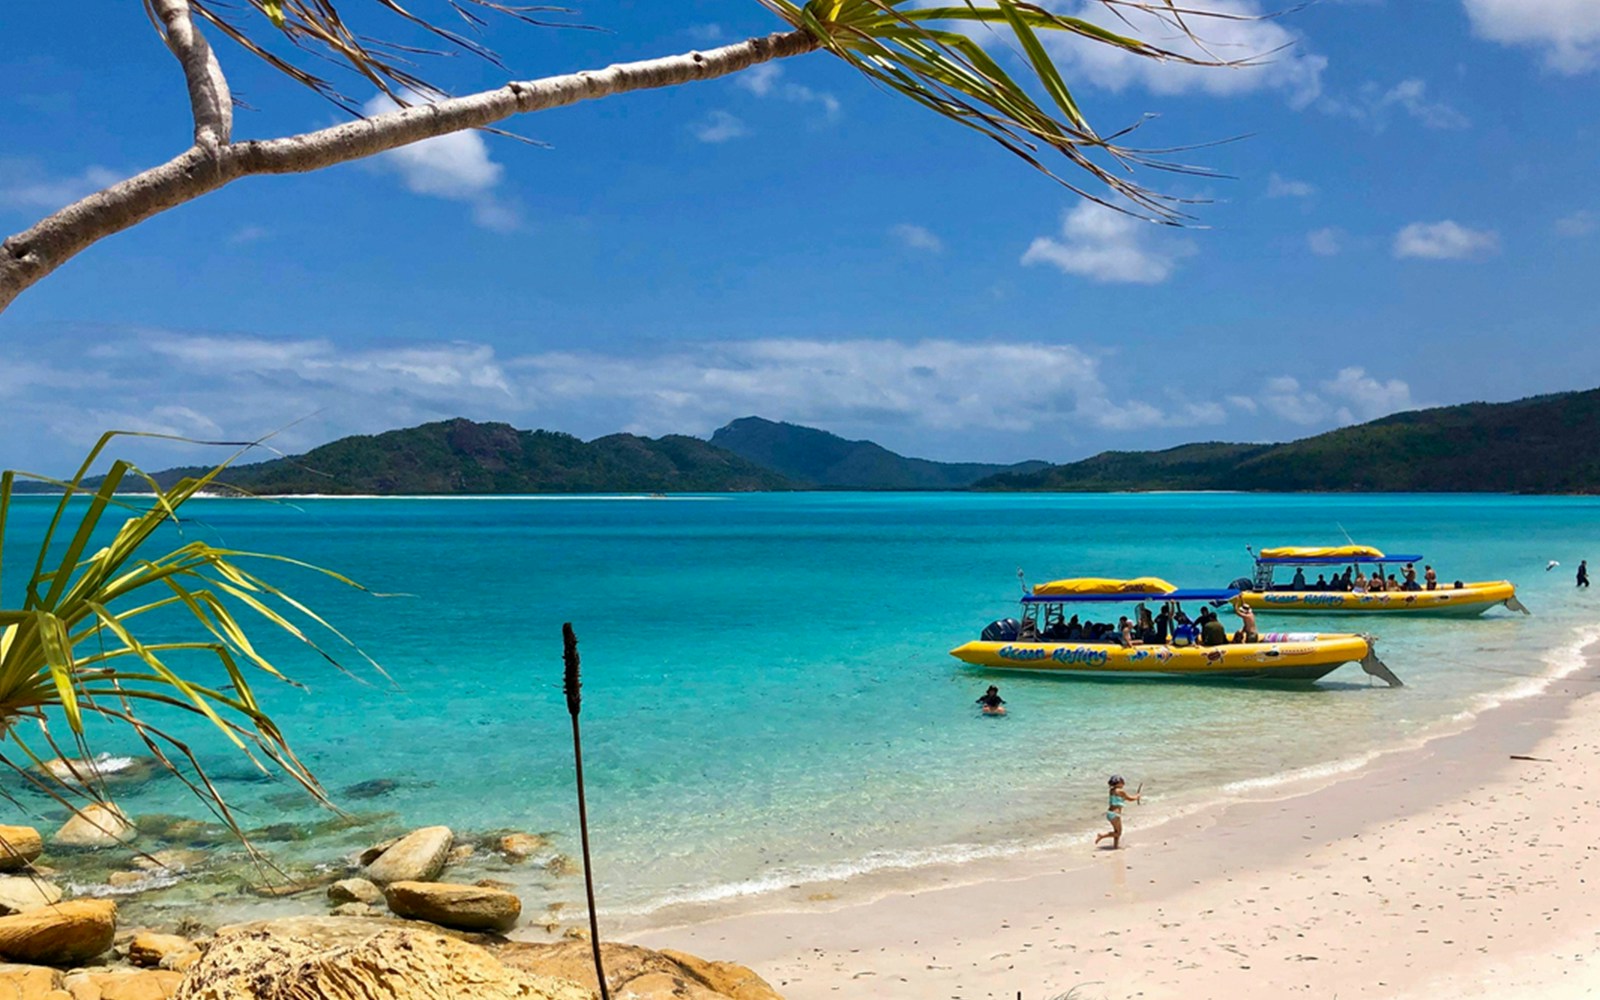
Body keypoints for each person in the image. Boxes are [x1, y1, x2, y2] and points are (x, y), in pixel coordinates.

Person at [1095, 774, 1141, 849]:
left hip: (1110, 813)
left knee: (1116, 831)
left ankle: (1115, 846)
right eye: (1122, 781)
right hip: (1115, 814)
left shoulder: (1112, 790)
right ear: (1118, 782)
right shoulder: (1120, 791)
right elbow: (1130, 798)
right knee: (1118, 833)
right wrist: (1137, 796)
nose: (1123, 783)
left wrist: (1136, 796)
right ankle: (1102, 836)